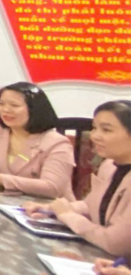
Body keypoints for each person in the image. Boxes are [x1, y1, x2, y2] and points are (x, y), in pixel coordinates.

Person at [26, 101, 131, 257]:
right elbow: (91, 206)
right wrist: (52, 209)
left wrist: (68, 216)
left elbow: (114, 243)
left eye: (106, 130)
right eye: (94, 128)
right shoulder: (109, 166)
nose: (94, 136)